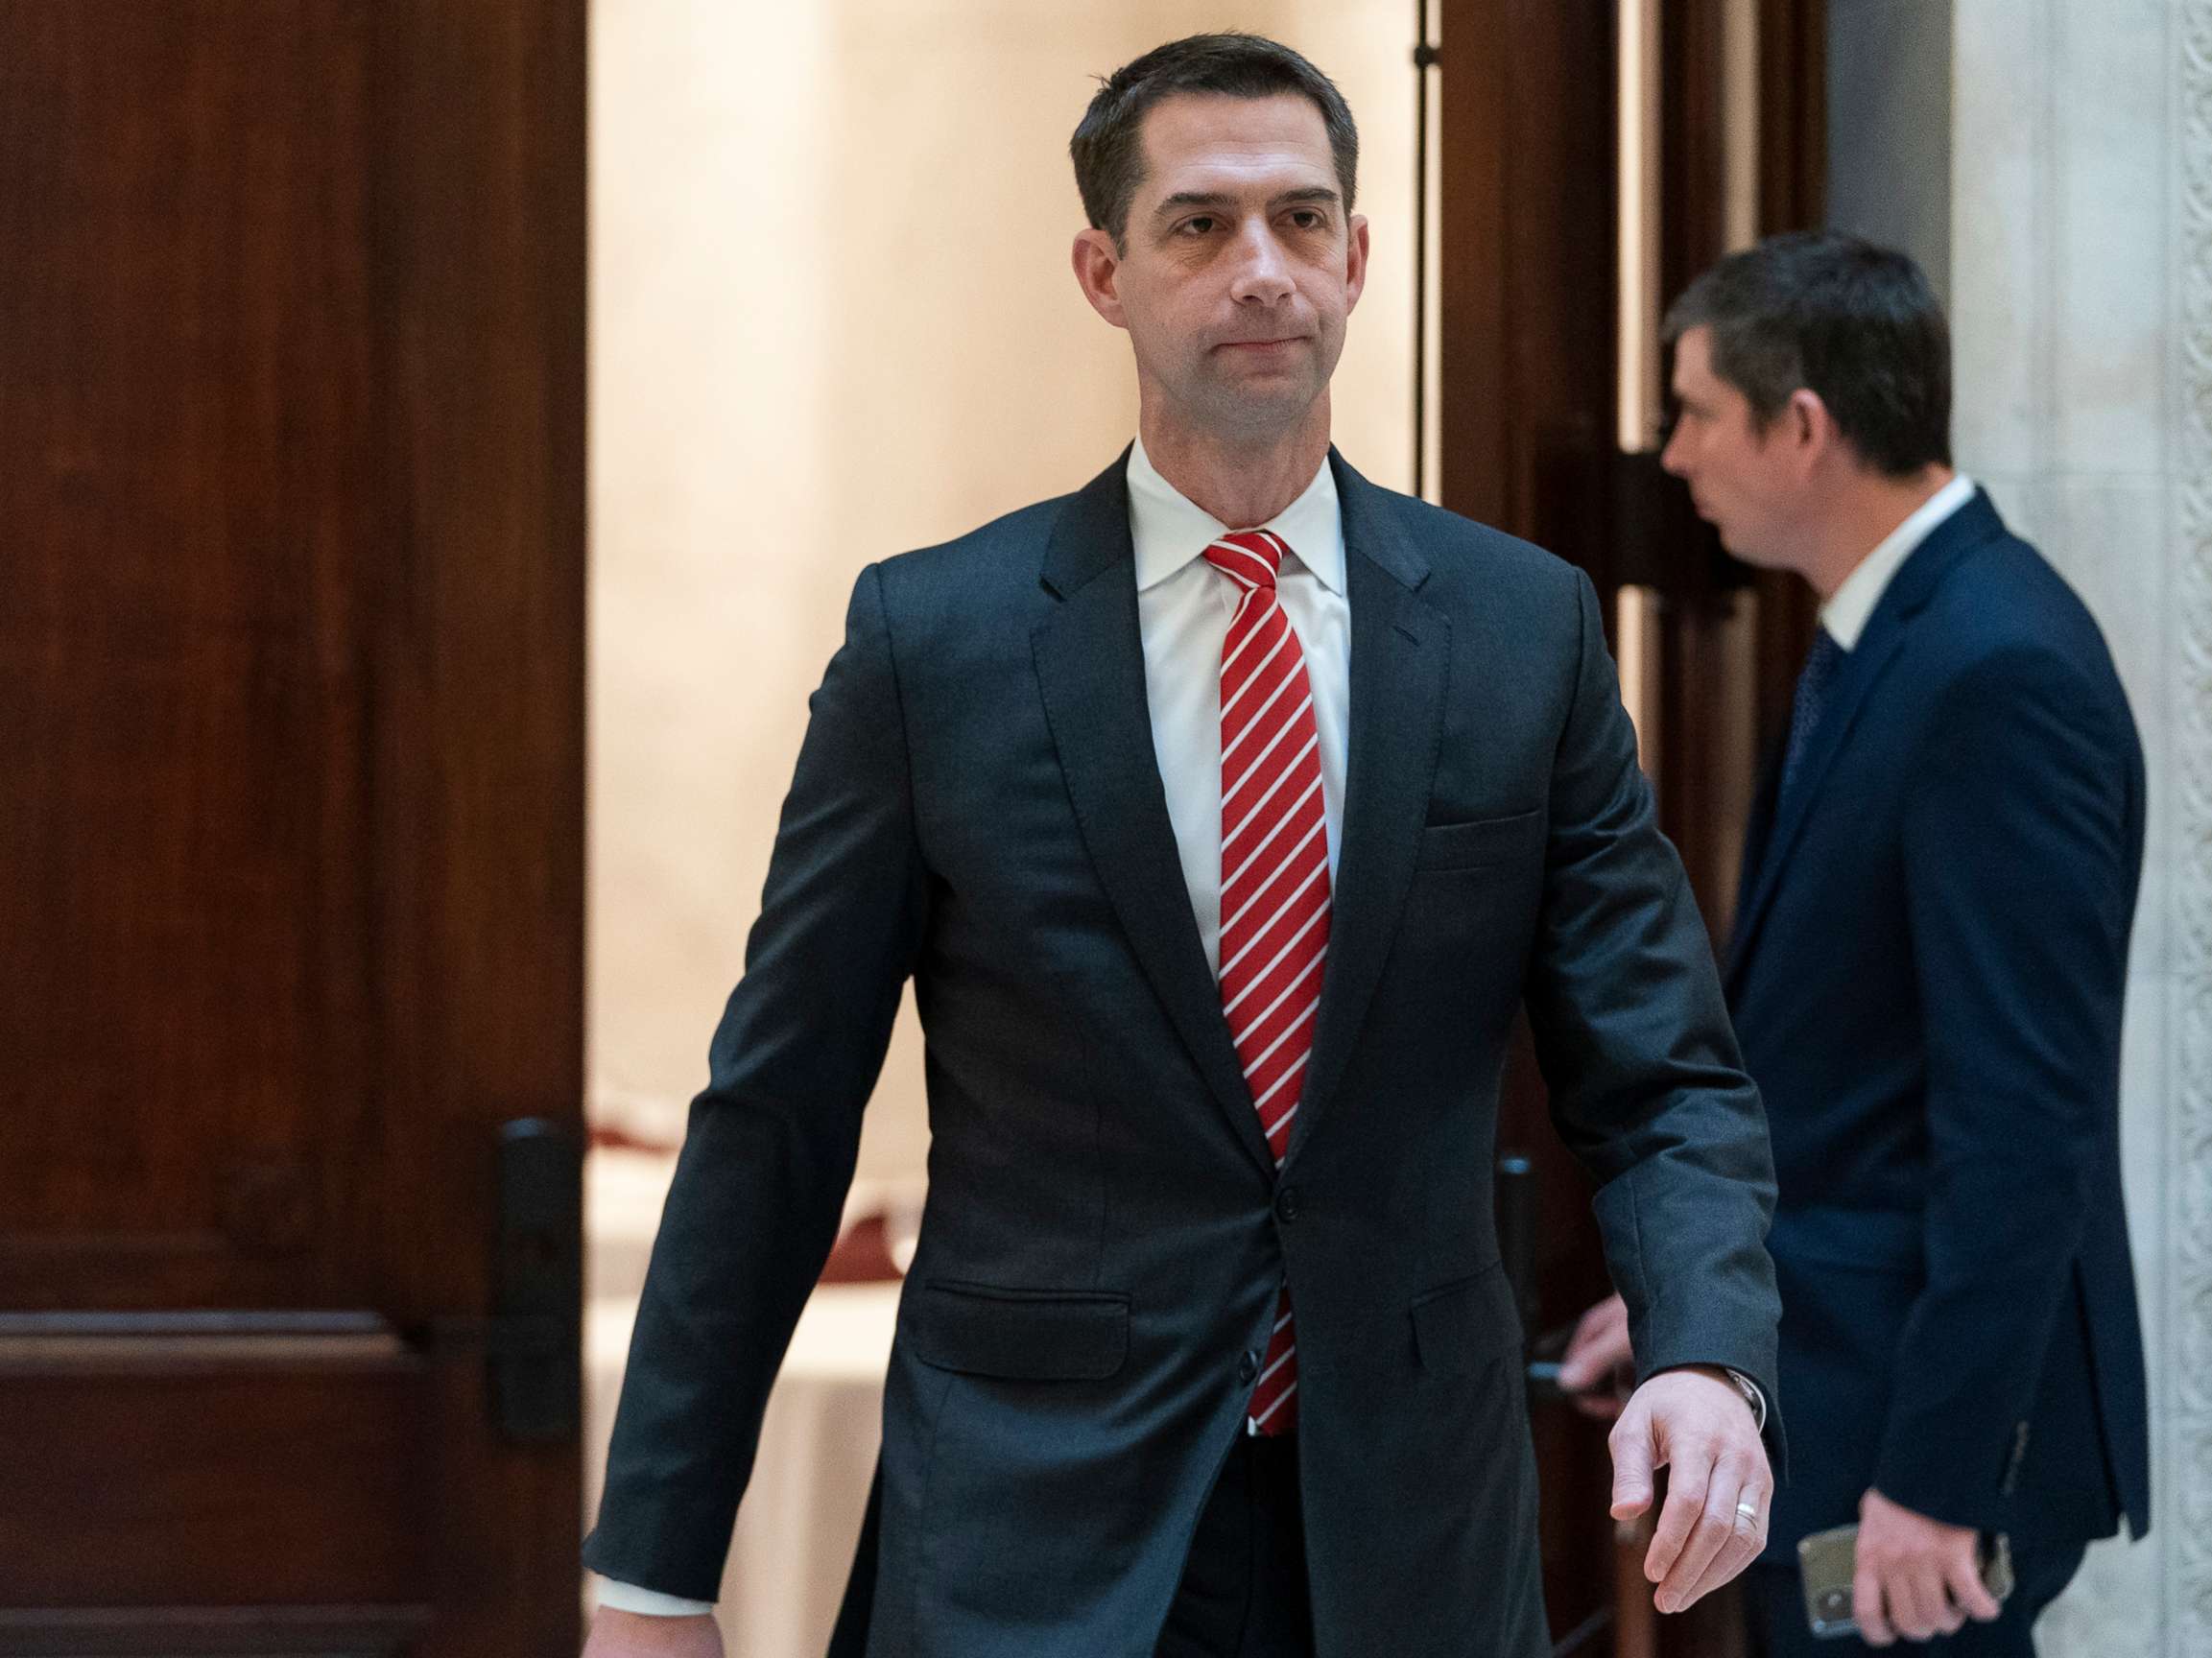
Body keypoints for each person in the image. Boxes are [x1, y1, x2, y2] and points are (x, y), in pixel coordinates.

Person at [583, 34, 1784, 1658]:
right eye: (1200, 228)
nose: (1262, 273)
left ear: (1361, 258)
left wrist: (1711, 1351)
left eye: (1302, 220)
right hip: (1034, 1533)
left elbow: (1663, 1075)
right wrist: (656, 1577)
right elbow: (776, 1123)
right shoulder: (934, 645)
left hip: (1411, 1532)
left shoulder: (1522, 631)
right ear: (1106, 272)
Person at [1557, 232, 2151, 1654]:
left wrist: (1938, 1481)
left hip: (1921, 1453)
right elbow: (1844, 1075)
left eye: (1696, 412)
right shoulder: (1892, 638)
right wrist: (1699, 1312)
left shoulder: (1995, 666)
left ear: (1803, 426)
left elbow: (2023, 1121)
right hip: (1837, 1384)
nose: (1677, 458)